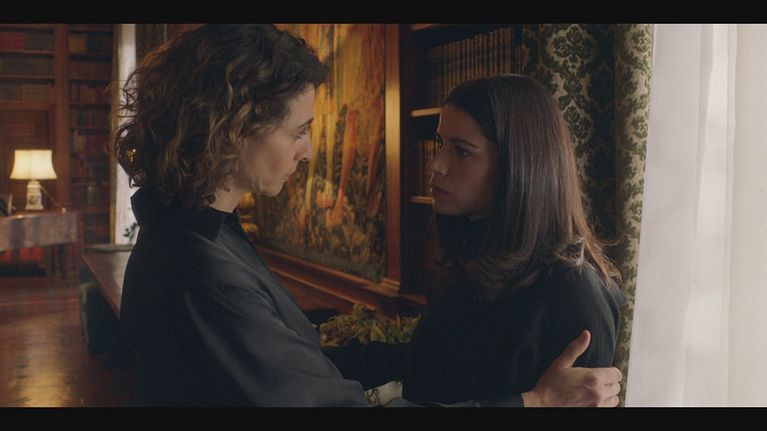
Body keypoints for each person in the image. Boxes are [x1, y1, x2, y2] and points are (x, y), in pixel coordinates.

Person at [114, 24, 621, 407]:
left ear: (521, 166)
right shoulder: (203, 268)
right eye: (299, 131)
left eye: (461, 150)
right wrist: (535, 403)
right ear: (234, 126)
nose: (307, 151)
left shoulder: (201, 232)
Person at [327, 75, 625, 407]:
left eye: (461, 151)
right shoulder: (474, 259)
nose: (436, 164)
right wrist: (304, 364)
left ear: (518, 164)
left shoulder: (574, 291)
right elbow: (436, 363)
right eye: (441, 144)